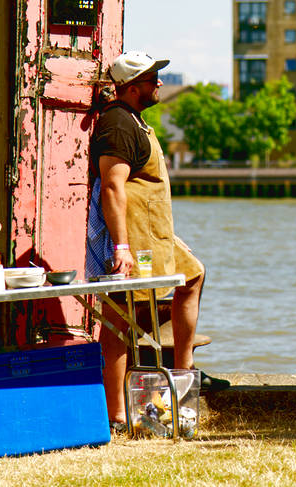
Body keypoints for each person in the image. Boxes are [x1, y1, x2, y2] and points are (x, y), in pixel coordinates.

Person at [85, 51, 228, 434]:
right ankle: (115, 413)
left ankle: (182, 377)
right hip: (136, 238)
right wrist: (121, 247)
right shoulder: (117, 124)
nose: (159, 83)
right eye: (152, 79)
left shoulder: (134, 121)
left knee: (193, 275)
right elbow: (112, 188)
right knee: (119, 321)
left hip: (158, 233)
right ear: (132, 88)